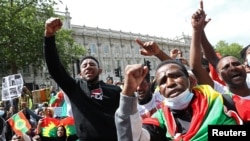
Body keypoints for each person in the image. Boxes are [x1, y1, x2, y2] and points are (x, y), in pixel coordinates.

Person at [115, 60, 243, 141]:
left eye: (175, 76)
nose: (170, 83)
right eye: (163, 82)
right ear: (160, 90)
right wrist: (128, 92)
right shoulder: (159, 120)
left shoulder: (225, 102)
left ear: (192, 81)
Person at [43, 17, 122, 141]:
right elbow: (54, 68)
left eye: (92, 64)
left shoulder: (115, 90)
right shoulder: (74, 88)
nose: (88, 67)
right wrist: (49, 36)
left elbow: (127, 117)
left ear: (100, 70)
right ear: (80, 73)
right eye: (84, 65)